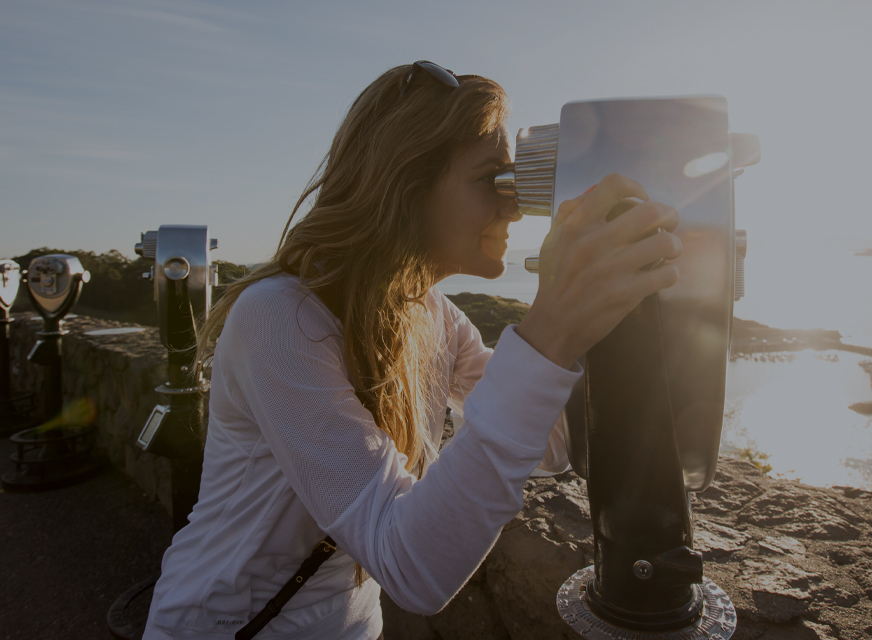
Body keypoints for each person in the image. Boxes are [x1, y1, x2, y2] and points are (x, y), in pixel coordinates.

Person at [143, 61, 681, 640]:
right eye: (491, 180)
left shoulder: (435, 317)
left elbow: (552, 440)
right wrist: (550, 332)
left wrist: (610, 317)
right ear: (403, 185)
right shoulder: (279, 319)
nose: (517, 207)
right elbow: (414, 569)